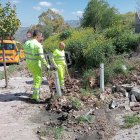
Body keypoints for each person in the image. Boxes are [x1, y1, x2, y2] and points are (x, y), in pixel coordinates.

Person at [23, 30, 50, 102]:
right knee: (38, 79)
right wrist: (47, 65)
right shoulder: (38, 45)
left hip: (29, 64)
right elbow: (42, 57)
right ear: (37, 36)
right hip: (35, 64)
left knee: (35, 78)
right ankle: (35, 97)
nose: (41, 38)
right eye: (41, 36)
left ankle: (35, 94)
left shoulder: (26, 43)